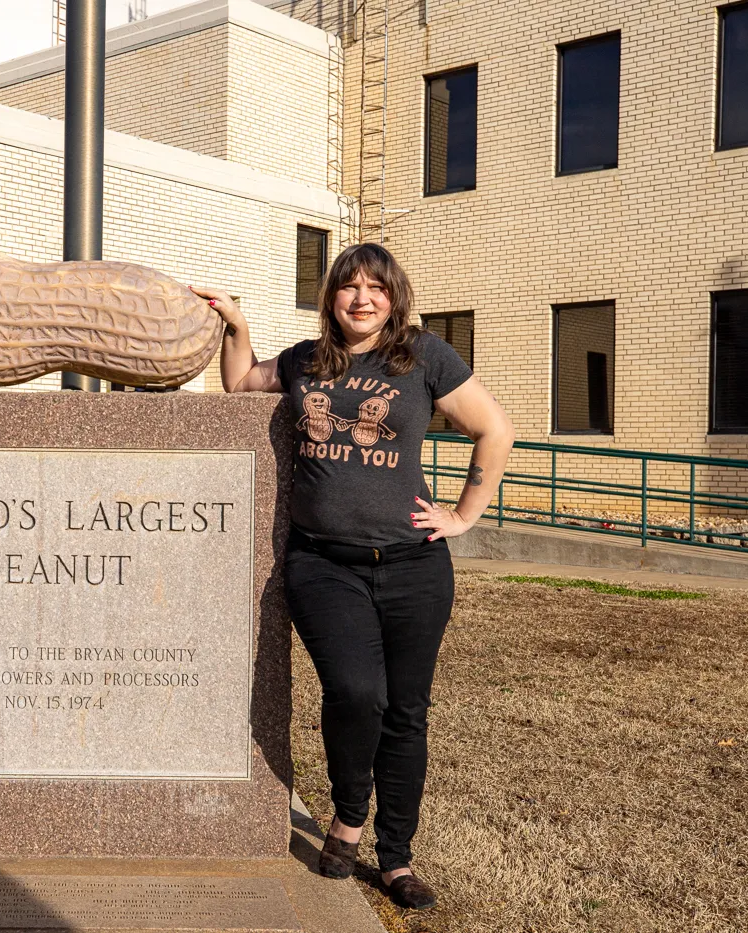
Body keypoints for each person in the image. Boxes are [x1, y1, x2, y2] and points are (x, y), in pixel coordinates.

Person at [192, 244, 514, 911]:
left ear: (395, 297)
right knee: (355, 691)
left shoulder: (424, 356)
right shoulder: (307, 362)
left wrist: (462, 514)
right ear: (331, 297)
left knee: (406, 711)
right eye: (348, 286)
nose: (361, 298)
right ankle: (347, 815)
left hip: (414, 567)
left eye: (376, 287)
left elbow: (494, 429)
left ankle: (395, 857)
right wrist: (239, 328)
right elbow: (239, 383)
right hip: (323, 565)